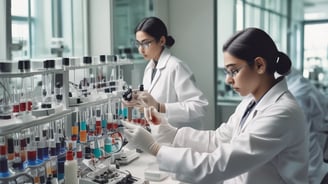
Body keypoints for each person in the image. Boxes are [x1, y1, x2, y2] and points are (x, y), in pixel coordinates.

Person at [122, 27, 309, 184]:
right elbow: (218, 139)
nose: (228, 79)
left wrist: (155, 148)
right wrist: (171, 132)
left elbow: (215, 165)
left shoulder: (282, 113)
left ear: (259, 65)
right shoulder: (250, 103)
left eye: (234, 71)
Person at [124, 16, 208, 130]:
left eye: (146, 43)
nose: (141, 50)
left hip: (180, 139)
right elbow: (152, 104)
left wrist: (160, 107)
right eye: (138, 44)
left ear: (162, 41)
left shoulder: (176, 66)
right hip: (160, 137)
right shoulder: (149, 68)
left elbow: (199, 107)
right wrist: (138, 103)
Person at [286, 68, 328, 184]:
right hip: (315, 155)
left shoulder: (296, 95)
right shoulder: (299, 84)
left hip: (312, 163)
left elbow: (306, 138)